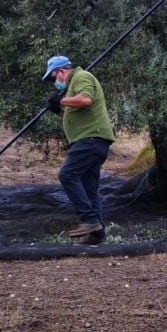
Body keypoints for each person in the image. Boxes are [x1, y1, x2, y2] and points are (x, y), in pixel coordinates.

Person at [42, 55, 115, 238]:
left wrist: (61, 101)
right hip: (91, 141)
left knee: (67, 175)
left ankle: (89, 220)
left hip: (90, 139)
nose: (54, 82)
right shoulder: (72, 86)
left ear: (62, 71)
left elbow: (85, 101)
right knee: (89, 188)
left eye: (53, 77)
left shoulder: (82, 77)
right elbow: (76, 113)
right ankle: (97, 235)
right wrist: (58, 109)